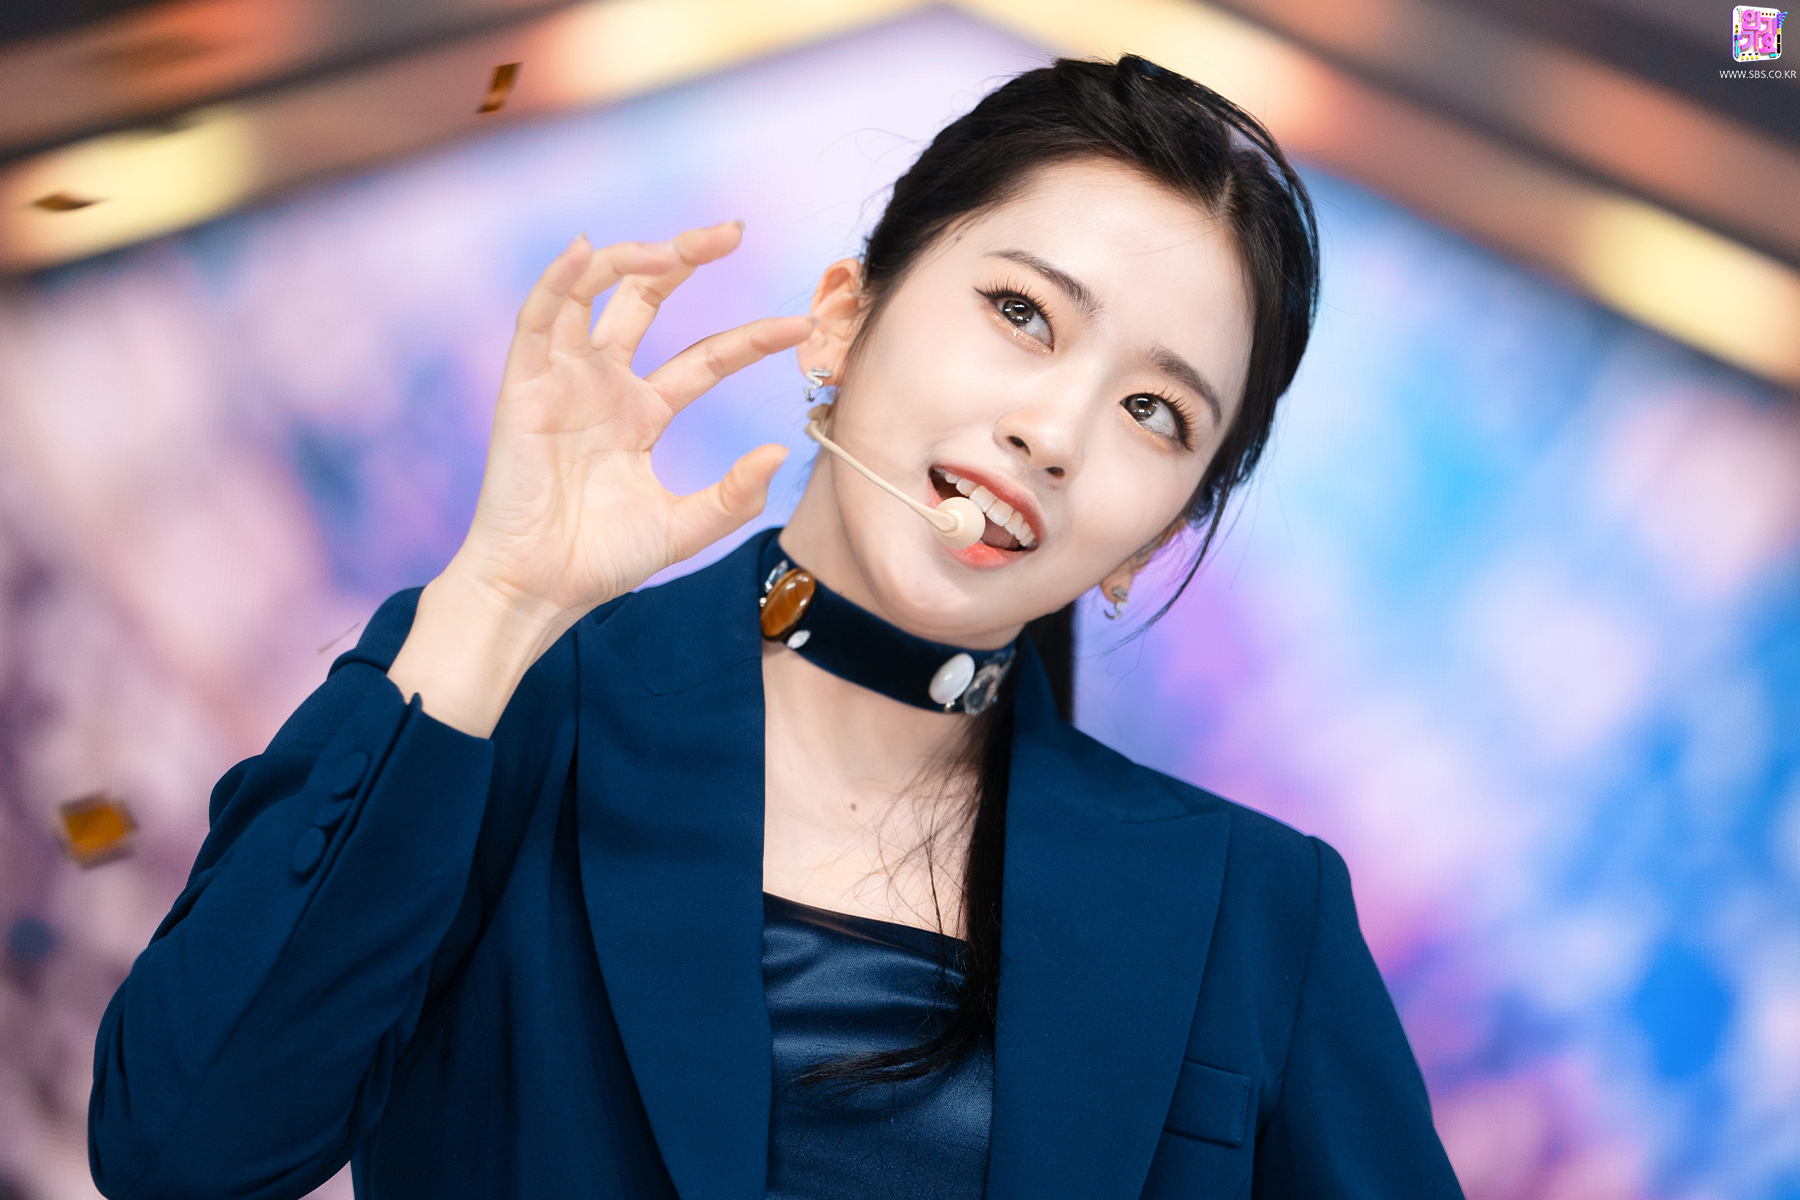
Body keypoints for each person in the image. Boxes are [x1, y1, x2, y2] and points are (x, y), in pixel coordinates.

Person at [88, 56, 1463, 1199]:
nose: (1055, 431)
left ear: (1161, 533)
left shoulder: (1253, 916)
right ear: (844, 320)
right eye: (1022, 313)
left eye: (1154, 412)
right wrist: (499, 601)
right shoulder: (498, 709)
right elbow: (181, 1149)